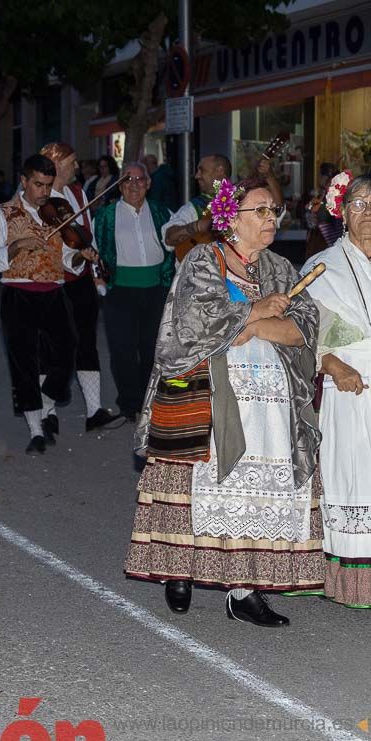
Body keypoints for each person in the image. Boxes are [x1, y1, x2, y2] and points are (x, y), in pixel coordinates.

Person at [126, 178, 323, 626]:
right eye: (260, 211)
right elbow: (194, 322)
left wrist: (252, 327)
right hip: (206, 396)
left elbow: (304, 327)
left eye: (274, 210)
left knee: (253, 495)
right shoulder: (203, 259)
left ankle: (244, 591)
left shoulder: (280, 267)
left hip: (269, 406)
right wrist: (255, 312)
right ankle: (180, 570)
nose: (271, 218)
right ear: (231, 219)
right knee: (196, 483)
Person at [0, 154, 89, 453]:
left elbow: (67, 257)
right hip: (18, 292)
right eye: (38, 185)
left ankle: (45, 402)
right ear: (24, 181)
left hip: (53, 290)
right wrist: (16, 246)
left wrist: (82, 256)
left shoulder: (58, 213)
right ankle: (36, 430)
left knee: (68, 349)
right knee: (24, 362)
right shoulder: (2, 214)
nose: (44, 192)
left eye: (48, 185)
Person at [301, 171, 371, 608]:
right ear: (344, 214)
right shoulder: (321, 268)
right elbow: (302, 332)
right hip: (348, 392)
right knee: (354, 479)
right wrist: (332, 364)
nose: (369, 214)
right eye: (360, 204)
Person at [41, 142, 119, 432]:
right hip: (52, 281)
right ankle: (47, 412)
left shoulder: (77, 192)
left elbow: (85, 233)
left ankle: (94, 410)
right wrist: (75, 256)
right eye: (71, 162)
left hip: (81, 279)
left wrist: (95, 267)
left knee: (87, 342)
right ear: (56, 163)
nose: (76, 166)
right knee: (52, 347)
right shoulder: (41, 196)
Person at [94, 162, 175, 421]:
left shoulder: (164, 213)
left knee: (152, 349)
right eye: (127, 180)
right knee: (122, 350)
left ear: (148, 184)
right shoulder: (105, 216)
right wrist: (100, 285)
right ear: (119, 185)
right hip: (120, 291)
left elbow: (178, 249)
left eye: (140, 179)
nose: (134, 185)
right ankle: (129, 404)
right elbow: (91, 256)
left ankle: (147, 400)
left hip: (155, 290)